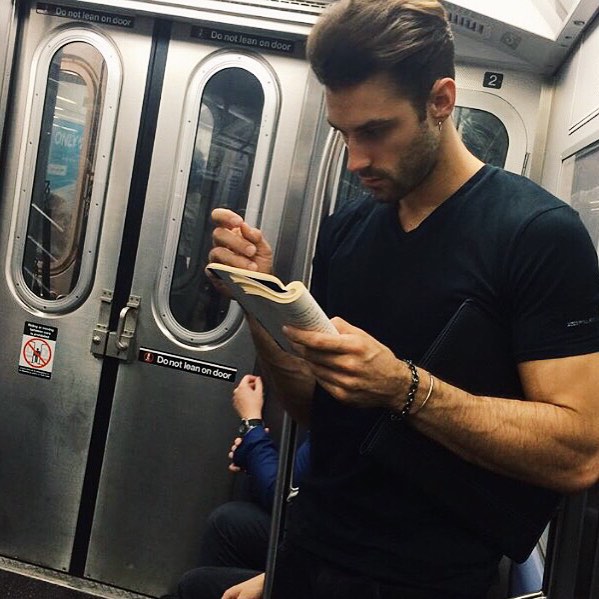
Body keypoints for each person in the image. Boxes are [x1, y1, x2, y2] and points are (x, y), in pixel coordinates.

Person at [208, 1, 599, 597]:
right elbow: (319, 410)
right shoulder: (348, 231)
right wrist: (259, 301)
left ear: (440, 101)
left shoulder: (537, 234)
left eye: (376, 131)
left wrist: (405, 388)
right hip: (310, 550)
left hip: (427, 578)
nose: (356, 159)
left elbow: (579, 453)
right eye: (343, 132)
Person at [174, 375, 309, 599]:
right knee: (229, 522)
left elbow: (286, 496)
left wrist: (251, 426)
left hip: (349, 565)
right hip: (339, 547)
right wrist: (252, 447)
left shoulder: (360, 415)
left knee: (196, 584)